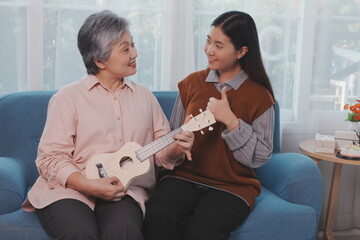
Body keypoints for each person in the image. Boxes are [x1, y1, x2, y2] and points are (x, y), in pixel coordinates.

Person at [22, 10, 194, 240]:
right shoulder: (68, 98)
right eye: (125, 49)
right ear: (100, 60)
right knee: (80, 233)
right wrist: (87, 184)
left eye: (132, 45)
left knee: (122, 231)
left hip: (123, 191)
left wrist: (177, 146)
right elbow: (50, 158)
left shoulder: (144, 96)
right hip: (69, 190)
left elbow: (160, 154)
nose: (135, 53)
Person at [143, 11, 275, 240]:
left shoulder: (260, 97)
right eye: (208, 40)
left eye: (219, 45)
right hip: (184, 177)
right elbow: (173, 136)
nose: (209, 50)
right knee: (158, 214)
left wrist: (231, 122)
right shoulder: (191, 84)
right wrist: (180, 144)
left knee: (203, 230)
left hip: (233, 185)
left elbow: (260, 156)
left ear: (242, 51)